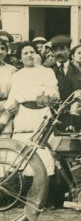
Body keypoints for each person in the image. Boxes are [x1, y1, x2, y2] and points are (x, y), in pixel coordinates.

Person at [0, 41, 59, 177]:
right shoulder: (17, 76)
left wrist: (47, 97)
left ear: (36, 54)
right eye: (25, 53)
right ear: (20, 58)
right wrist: (3, 122)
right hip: (24, 117)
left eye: (32, 52)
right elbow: (12, 101)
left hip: (42, 115)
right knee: (23, 158)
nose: (29, 55)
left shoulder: (47, 72)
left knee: (44, 153)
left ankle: (45, 189)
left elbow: (55, 93)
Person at [0, 39, 16, 138]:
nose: (0, 52)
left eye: (2, 49)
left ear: (6, 51)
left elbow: (14, 96)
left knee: (4, 148)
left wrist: (3, 121)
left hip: (5, 113)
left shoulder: (12, 70)